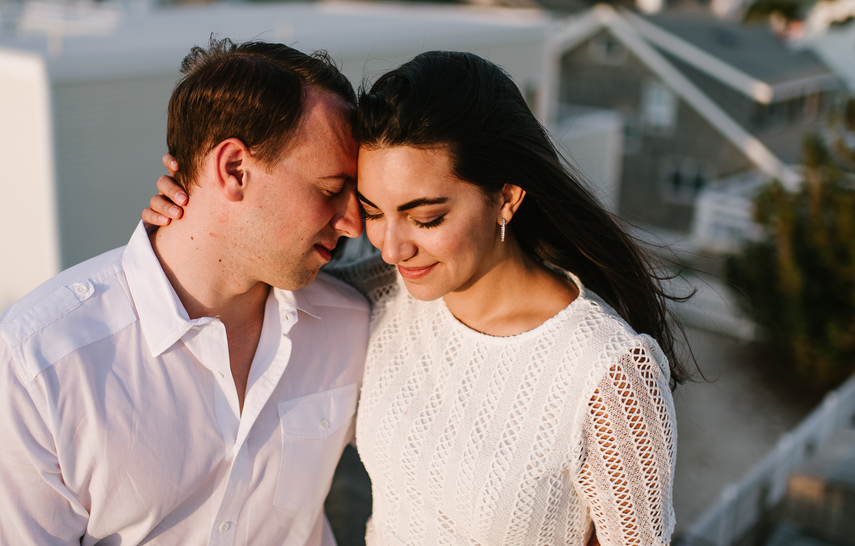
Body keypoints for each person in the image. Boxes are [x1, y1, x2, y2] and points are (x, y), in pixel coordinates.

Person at [147, 51, 682, 545]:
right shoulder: (372, 300)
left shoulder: (607, 370)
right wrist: (199, 211)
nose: (391, 247)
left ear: (507, 198)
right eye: (375, 211)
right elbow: (251, 265)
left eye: (426, 217)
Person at [0, 39, 371, 545]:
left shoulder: (356, 322)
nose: (355, 223)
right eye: (331, 190)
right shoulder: (35, 368)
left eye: (361, 197)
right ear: (234, 170)